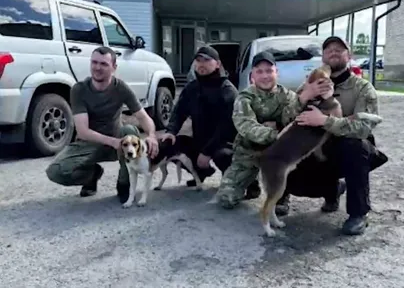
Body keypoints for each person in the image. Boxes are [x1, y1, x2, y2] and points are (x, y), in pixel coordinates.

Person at [279, 35, 388, 235]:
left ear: (350, 55)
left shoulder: (362, 88)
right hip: (313, 148)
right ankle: (327, 190)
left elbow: (364, 127)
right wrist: (304, 96)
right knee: (284, 145)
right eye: (329, 49)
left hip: (343, 150)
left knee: (357, 146)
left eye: (340, 48)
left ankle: (358, 214)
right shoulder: (308, 85)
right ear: (323, 57)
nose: (334, 52)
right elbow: (284, 119)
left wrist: (325, 121)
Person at [215, 51, 334, 209]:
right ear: (252, 76)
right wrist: (277, 134)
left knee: (296, 172)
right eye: (259, 71)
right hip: (249, 153)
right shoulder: (244, 98)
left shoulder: (287, 95)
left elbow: (294, 121)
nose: (265, 76)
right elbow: (247, 127)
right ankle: (252, 182)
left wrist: (305, 96)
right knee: (226, 199)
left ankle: (285, 197)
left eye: (269, 71)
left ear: (276, 73)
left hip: (278, 154)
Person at [45, 46, 159, 204]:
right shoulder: (79, 89)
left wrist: (152, 135)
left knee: (129, 130)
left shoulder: (121, 88)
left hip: (117, 141)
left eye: (104, 64)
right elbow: (83, 131)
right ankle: (92, 175)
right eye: (94, 62)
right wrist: (112, 142)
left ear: (114, 67)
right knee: (55, 171)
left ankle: (124, 183)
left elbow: (143, 116)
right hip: (89, 143)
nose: (97, 67)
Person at [159, 46, 259, 196]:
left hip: (225, 142)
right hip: (201, 140)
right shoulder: (191, 88)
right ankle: (202, 172)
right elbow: (179, 112)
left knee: (222, 155)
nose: (201, 64)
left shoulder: (228, 91)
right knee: (171, 144)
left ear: (217, 64)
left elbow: (227, 128)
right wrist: (171, 131)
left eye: (206, 60)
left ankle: (249, 183)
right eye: (198, 60)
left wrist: (207, 152)